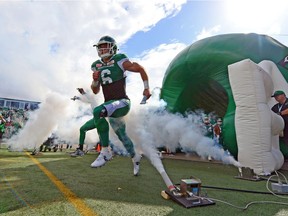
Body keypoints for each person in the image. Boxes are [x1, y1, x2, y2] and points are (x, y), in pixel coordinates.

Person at [89, 35, 151, 176]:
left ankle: (105, 152)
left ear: (113, 47)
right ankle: (135, 157)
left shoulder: (119, 59)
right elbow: (95, 90)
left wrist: (146, 88)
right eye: (100, 46)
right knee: (122, 136)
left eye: (105, 45)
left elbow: (140, 68)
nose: (102, 48)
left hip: (122, 102)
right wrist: (95, 81)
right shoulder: (96, 65)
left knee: (98, 111)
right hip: (110, 105)